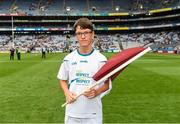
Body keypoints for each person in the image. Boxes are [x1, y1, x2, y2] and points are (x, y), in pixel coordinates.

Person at [57, 18, 112, 124]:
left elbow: (107, 84)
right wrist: (66, 93)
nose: (83, 36)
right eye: (79, 33)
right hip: (72, 112)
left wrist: (96, 91)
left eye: (86, 32)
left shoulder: (101, 59)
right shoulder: (69, 58)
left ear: (92, 34)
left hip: (93, 114)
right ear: (76, 36)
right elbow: (62, 79)